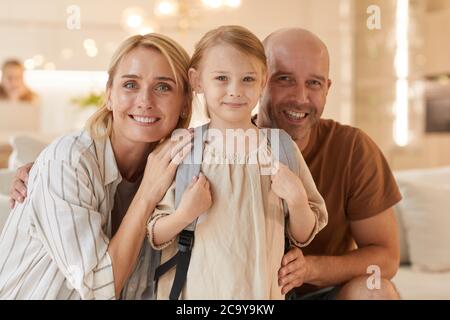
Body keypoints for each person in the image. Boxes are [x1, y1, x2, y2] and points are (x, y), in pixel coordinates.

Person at [0, 33, 194, 299]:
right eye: (130, 84)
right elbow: (98, 289)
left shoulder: (179, 166)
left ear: (185, 103)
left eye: (163, 87)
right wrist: (148, 193)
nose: (145, 100)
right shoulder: (68, 161)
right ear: (109, 96)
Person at [147, 25, 328, 300]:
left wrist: (298, 201)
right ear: (196, 81)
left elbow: (303, 234)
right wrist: (184, 214)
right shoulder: (186, 147)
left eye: (247, 79)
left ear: (263, 80)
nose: (235, 91)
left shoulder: (280, 148)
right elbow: (157, 235)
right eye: (221, 78)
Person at [257, 28, 402, 300]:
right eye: (284, 79)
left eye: (314, 83)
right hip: (247, 296)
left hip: (323, 293)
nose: (300, 97)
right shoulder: (224, 148)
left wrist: (310, 268)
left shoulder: (352, 148)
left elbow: (386, 258)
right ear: (258, 81)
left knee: (376, 290)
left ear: (327, 88)